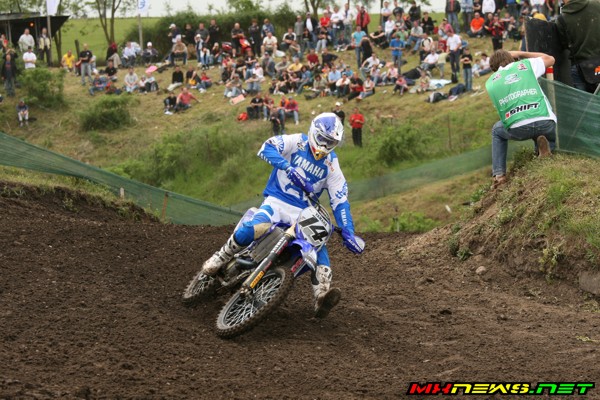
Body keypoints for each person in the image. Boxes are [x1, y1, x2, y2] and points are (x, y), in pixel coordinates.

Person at [200, 113, 363, 318]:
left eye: (330, 142)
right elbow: (266, 147)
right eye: (322, 139)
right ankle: (221, 256)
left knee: (319, 244)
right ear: (314, 132)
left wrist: (349, 232)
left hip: (303, 212)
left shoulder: (332, 165)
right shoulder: (297, 142)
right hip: (276, 201)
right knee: (255, 227)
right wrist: (288, 167)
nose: (324, 145)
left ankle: (321, 296)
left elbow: (340, 201)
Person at [485, 50, 556, 188]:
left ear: (494, 68)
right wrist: (521, 53)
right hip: (545, 122)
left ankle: (499, 175)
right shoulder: (526, 65)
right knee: (539, 122)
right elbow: (550, 59)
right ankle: (546, 149)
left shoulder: (491, 83)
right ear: (512, 58)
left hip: (519, 127)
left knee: (497, 130)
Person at [555, 0, 600, 94]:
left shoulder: (562, 18)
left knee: (582, 102)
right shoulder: (596, 4)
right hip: (594, 62)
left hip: (580, 67)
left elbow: (564, 43)